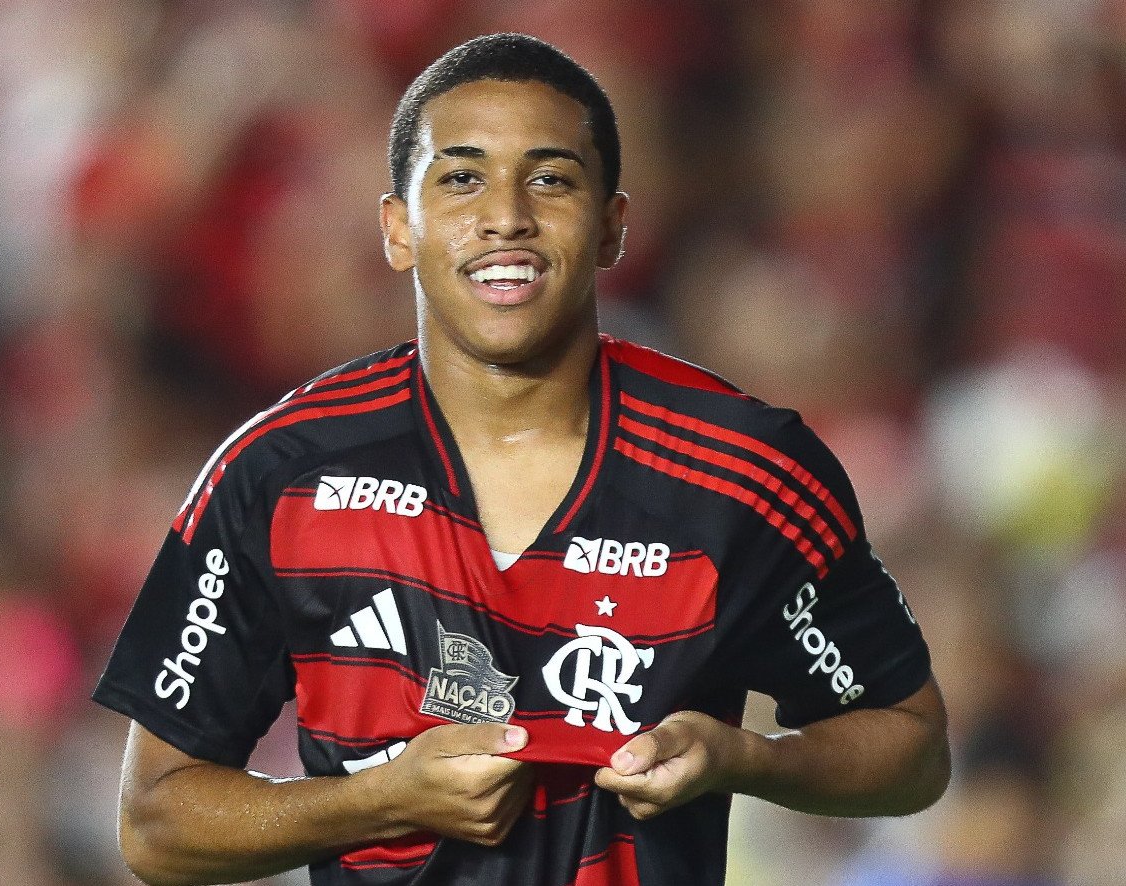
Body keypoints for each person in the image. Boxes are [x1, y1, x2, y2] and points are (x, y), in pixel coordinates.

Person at [92, 33, 950, 886]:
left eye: (550, 179)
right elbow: (155, 823)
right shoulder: (279, 475)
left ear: (612, 226)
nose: (506, 215)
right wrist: (382, 799)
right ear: (397, 228)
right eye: (461, 179)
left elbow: (912, 748)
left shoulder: (746, 472)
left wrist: (744, 758)